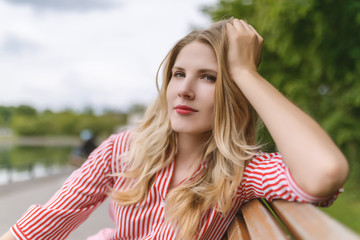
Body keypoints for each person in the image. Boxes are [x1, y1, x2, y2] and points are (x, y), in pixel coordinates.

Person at [1, 18, 349, 240]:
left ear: (235, 96)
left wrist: (246, 73)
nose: (184, 89)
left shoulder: (241, 174)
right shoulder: (122, 150)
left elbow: (325, 172)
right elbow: (48, 221)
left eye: (208, 78)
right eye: (178, 74)